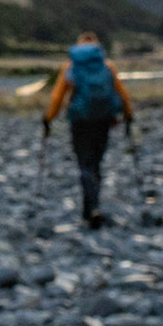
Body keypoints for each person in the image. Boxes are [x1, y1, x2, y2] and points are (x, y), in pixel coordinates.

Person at [42, 31, 134, 228]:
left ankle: (90, 209)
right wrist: (128, 116)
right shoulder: (107, 66)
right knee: (97, 163)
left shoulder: (71, 66)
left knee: (84, 164)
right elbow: (123, 93)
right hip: (103, 120)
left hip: (80, 121)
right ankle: (93, 208)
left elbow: (57, 96)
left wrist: (48, 118)